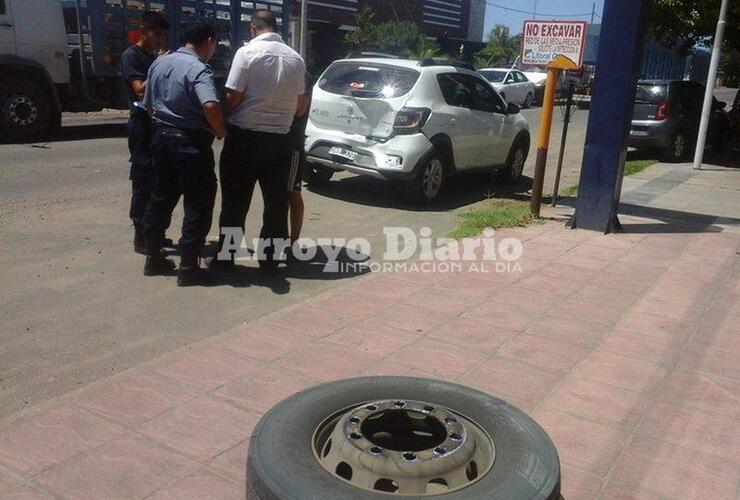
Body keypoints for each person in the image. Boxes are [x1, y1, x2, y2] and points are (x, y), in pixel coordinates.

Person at [215, 9, 307, 275]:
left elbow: (232, 97)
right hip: (280, 142)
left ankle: (227, 258)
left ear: (253, 28)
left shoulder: (246, 53)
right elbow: (300, 106)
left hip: (245, 139)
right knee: (277, 204)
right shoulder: (296, 59)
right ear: (275, 28)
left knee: (234, 203)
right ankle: (270, 261)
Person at [141, 21, 228, 286]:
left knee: (160, 197)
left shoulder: (160, 63)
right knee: (198, 202)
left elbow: (148, 105)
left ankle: (153, 258)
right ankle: (189, 266)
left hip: (161, 138)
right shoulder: (197, 68)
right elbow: (211, 104)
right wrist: (220, 131)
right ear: (209, 41)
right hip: (189, 143)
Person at [120, 10, 170, 255]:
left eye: (163, 36)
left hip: (157, 125)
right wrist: (160, 65)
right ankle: (141, 236)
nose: (160, 40)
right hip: (141, 125)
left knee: (158, 181)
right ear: (143, 33)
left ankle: (155, 233)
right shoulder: (132, 56)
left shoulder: (153, 56)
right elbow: (140, 90)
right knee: (142, 181)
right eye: (156, 34)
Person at [287, 72, 313, 254]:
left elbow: (299, 110)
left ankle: (293, 242)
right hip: (278, 145)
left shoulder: (302, 79)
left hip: (293, 147)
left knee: (293, 195)